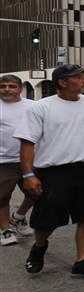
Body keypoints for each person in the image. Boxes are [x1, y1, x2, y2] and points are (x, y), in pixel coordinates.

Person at [17, 64, 84, 279]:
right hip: (53, 172)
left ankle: (82, 261)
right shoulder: (41, 107)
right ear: (62, 82)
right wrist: (29, 175)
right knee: (46, 220)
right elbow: (27, 143)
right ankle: (39, 246)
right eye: (78, 77)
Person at [0, 74, 34, 246]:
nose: (7, 89)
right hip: (4, 161)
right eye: (3, 86)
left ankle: (18, 217)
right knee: (2, 197)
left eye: (12, 86)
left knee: (36, 193)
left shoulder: (33, 106)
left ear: (20, 88)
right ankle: (5, 230)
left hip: (31, 159)